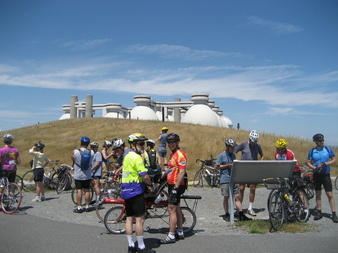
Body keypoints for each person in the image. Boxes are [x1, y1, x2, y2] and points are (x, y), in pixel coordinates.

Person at [120, 133, 155, 253]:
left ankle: (130, 246)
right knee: (140, 219)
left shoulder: (127, 156)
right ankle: (141, 247)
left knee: (130, 218)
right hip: (136, 190)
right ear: (133, 145)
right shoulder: (136, 157)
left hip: (126, 190)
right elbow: (145, 176)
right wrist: (150, 185)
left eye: (144, 143)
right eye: (140, 144)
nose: (143, 146)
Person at [216, 138, 251, 222]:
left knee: (237, 197)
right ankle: (227, 213)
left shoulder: (233, 155)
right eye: (231, 147)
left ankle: (241, 214)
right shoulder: (222, 155)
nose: (233, 149)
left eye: (233, 148)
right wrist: (227, 166)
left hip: (233, 178)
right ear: (227, 147)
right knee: (226, 197)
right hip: (225, 179)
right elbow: (217, 166)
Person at [160, 133, 187, 244]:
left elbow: (182, 172)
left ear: (177, 142)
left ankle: (171, 235)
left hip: (177, 185)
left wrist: (175, 187)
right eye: (169, 142)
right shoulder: (172, 155)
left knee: (171, 209)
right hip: (172, 184)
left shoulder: (180, 154)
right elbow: (170, 169)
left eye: (172, 142)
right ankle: (180, 231)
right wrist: (161, 177)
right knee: (177, 208)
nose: (170, 144)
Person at [307, 133, 338, 223]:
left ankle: (333, 213)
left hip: (326, 174)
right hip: (317, 174)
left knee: (329, 194)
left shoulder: (328, 149)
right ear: (316, 142)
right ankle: (319, 211)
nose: (322, 142)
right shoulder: (312, 151)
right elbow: (309, 162)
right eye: (320, 140)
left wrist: (325, 164)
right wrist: (314, 168)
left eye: (323, 140)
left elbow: (334, 160)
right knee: (318, 193)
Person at [234, 130, 264, 216]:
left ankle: (250, 208)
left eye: (255, 142)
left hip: (253, 169)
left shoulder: (258, 146)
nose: (253, 143)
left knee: (252, 188)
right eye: (252, 141)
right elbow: (234, 151)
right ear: (249, 139)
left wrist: (261, 162)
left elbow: (262, 154)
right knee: (241, 188)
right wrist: (235, 161)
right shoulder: (244, 144)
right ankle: (239, 209)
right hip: (243, 169)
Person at [72, 136, 94, 213]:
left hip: (78, 174)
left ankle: (79, 207)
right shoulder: (91, 152)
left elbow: (72, 158)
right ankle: (87, 206)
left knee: (79, 190)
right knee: (87, 190)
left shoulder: (75, 151)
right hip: (87, 174)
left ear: (81, 142)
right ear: (88, 144)